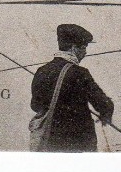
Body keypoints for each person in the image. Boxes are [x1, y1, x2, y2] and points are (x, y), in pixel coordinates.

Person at [30, 24, 114, 152]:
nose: (85, 52)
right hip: (78, 142)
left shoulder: (41, 71)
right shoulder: (80, 73)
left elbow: (35, 105)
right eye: (84, 47)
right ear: (74, 48)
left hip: (49, 142)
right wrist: (106, 114)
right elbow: (104, 104)